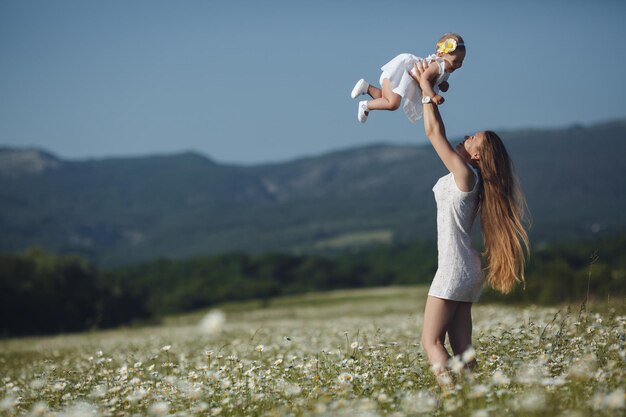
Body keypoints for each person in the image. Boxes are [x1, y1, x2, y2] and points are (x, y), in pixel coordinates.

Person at [409, 60, 530, 388]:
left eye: (472, 138)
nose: (466, 137)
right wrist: (428, 90)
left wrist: (425, 87)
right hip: (466, 268)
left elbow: (434, 133)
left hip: (453, 267)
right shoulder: (469, 178)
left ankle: (453, 400)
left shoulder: (466, 176)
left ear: (477, 156)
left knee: (430, 342)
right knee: (462, 348)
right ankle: (476, 398)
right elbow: (438, 132)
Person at [350, 33, 466, 124]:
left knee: (384, 99)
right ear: (441, 55)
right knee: (393, 104)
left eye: (461, 62)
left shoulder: (447, 69)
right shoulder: (437, 65)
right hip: (400, 74)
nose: (457, 65)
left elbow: (437, 81)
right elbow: (424, 80)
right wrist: (433, 95)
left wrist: (443, 84)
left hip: (403, 79)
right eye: (455, 61)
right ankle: (365, 105)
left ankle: (366, 87)